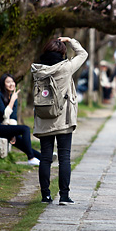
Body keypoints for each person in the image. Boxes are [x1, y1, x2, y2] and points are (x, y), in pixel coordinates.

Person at [31, 37, 88, 205]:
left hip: (43, 119)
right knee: (64, 157)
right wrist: (70, 40)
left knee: (46, 158)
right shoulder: (66, 68)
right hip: (63, 119)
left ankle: (45, 196)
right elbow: (83, 53)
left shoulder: (37, 70)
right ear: (62, 53)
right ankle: (64, 196)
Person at [0, 73, 41, 166]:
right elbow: (4, 114)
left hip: (3, 127)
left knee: (19, 141)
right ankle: (31, 158)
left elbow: (13, 117)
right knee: (25, 129)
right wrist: (12, 101)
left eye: (12, 81)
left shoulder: (12, 97)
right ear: (3, 84)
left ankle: (44, 158)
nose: (11, 84)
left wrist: (12, 133)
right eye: (8, 82)